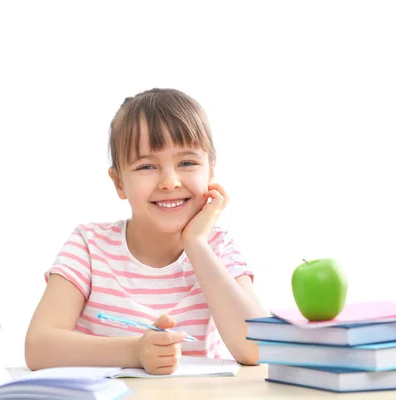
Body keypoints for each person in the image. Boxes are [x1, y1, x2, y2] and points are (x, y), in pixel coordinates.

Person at [25, 88, 269, 375]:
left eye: (187, 163)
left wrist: (196, 244)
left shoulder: (217, 248)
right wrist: (135, 351)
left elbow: (259, 348)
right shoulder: (90, 245)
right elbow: (38, 347)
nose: (169, 181)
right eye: (146, 166)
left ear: (210, 171)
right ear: (118, 183)